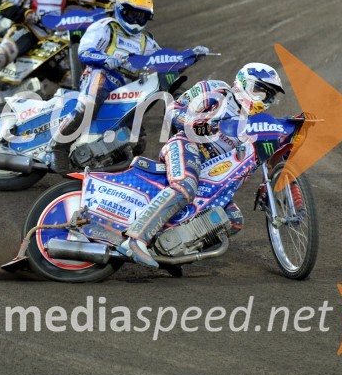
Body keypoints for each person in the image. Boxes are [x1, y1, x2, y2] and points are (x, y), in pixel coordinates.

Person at [118, 63, 286, 268]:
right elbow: (174, 109)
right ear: (243, 83)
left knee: (232, 219)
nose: (262, 99)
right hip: (187, 146)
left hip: (213, 171)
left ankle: (167, 252)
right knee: (185, 186)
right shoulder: (217, 91)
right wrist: (195, 122)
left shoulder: (257, 124)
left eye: (268, 96)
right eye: (258, 90)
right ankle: (136, 240)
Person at [47, 0, 209, 172]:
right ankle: (58, 146)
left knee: (138, 141)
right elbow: (85, 52)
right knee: (89, 104)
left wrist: (190, 58)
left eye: (141, 16)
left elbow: (164, 64)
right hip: (101, 75)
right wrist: (107, 60)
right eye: (131, 14)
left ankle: (103, 163)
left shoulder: (147, 42)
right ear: (119, 9)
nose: (135, 21)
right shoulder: (106, 27)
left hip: (129, 89)